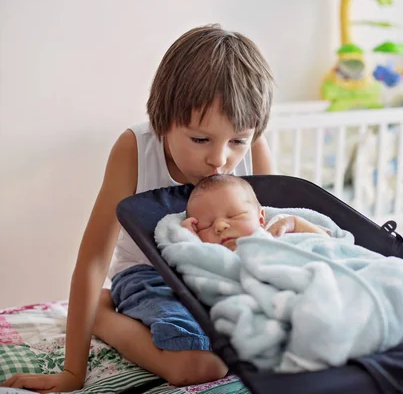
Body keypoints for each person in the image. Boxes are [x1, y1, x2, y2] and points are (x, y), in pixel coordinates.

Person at [1, 24, 276, 393]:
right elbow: (94, 258)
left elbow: (272, 240)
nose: (220, 159)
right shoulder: (136, 149)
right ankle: (102, 314)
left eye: (238, 141)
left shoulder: (255, 149)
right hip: (149, 278)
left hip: (222, 276)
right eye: (199, 139)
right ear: (163, 120)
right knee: (200, 366)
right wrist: (71, 373)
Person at [182, 174, 330, 250]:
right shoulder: (215, 257)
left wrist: (295, 223)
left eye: (234, 215)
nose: (220, 226)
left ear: (260, 219)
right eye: (206, 225)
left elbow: (328, 245)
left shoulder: (276, 229)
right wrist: (188, 237)